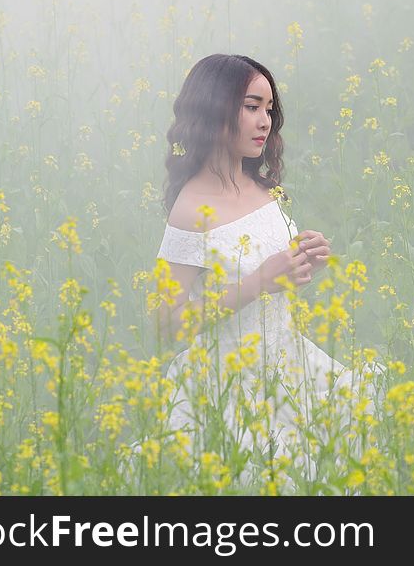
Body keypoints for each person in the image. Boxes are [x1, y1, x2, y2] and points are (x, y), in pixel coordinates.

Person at [152, 54, 383, 492]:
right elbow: (166, 324)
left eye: (269, 109)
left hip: (290, 364)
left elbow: (275, 276)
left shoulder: (259, 187)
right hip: (229, 386)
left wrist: (303, 260)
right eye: (251, 106)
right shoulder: (190, 208)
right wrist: (259, 282)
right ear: (215, 109)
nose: (265, 122)